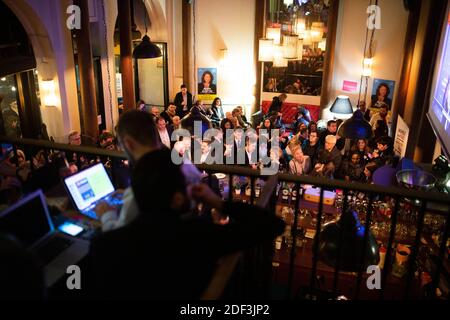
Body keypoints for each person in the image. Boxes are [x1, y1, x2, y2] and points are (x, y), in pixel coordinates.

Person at [88, 148, 285, 299]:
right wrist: (217, 202)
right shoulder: (198, 235)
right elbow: (272, 224)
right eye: (187, 186)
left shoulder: (103, 244)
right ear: (177, 199)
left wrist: (108, 216)